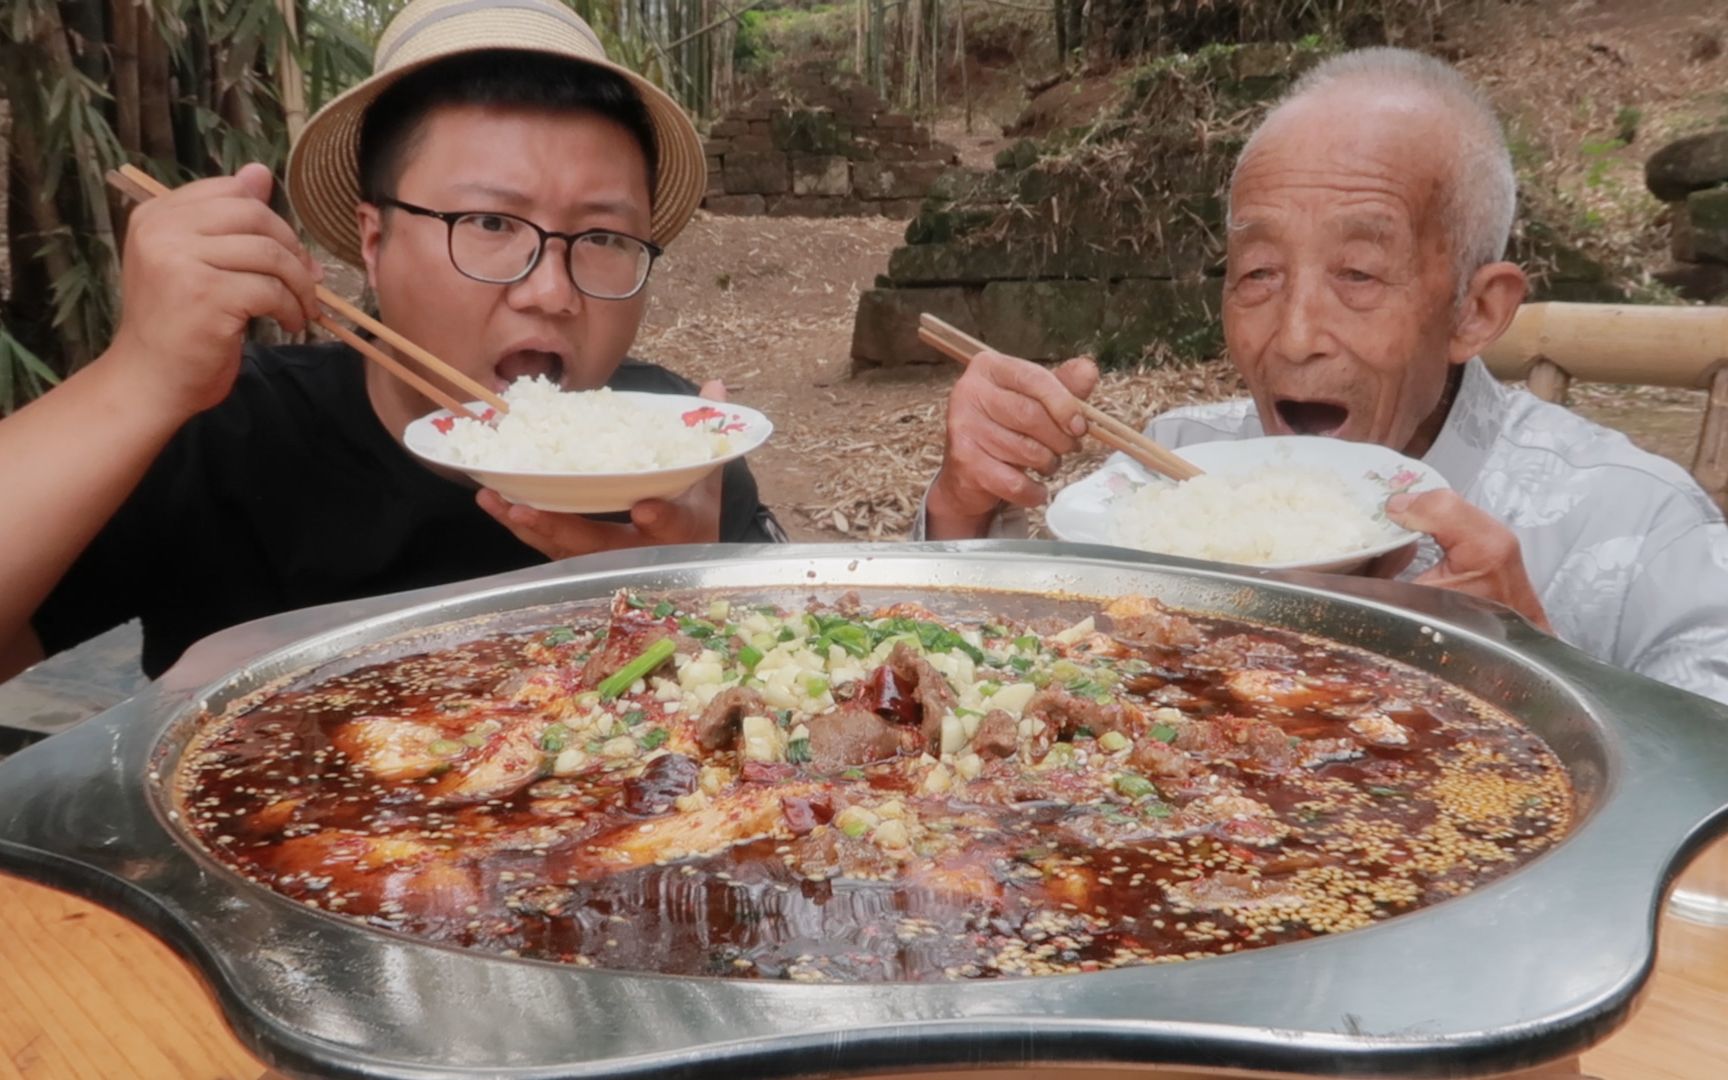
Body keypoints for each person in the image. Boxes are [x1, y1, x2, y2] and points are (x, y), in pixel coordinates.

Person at [0, 0, 782, 682]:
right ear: (373, 240)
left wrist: (683, 592)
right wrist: (138, 379)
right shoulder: (225, 428)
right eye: (490, 224)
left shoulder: (679, 461)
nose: (551, 291)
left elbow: (793, 736)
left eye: (606, 236)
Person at [920, 47, 1728, 705]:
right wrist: (965, 508)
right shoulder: (1165, 480)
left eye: (1360, 275)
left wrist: (1540, 672)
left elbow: (1705, 809)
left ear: (1473, 313)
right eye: (1259, 273)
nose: (1296, 337)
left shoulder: (1636, 528)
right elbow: (992, 683)